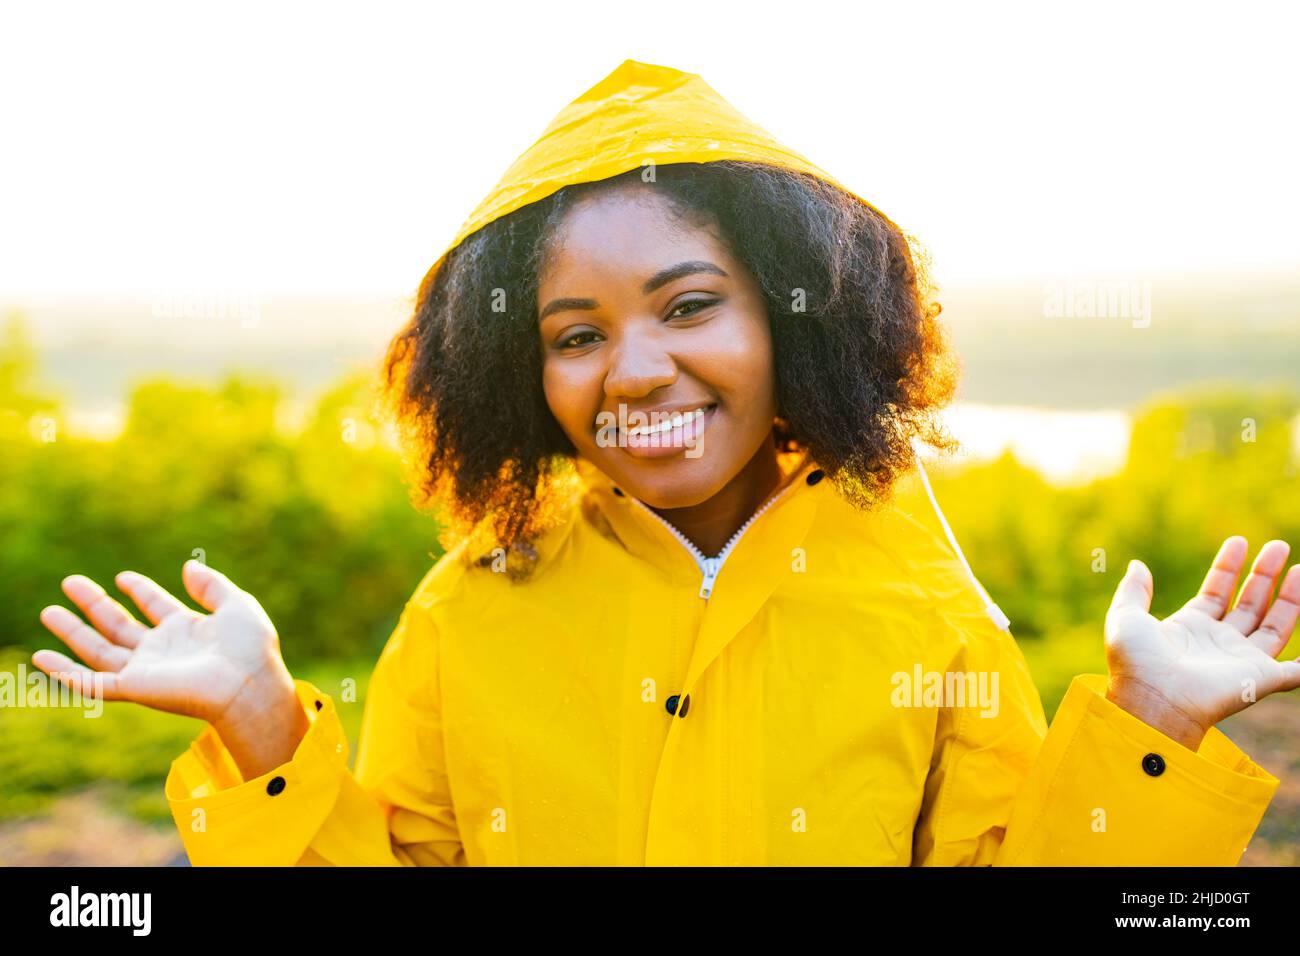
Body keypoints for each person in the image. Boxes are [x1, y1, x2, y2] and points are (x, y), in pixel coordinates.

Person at [33, 60, 1300, 866]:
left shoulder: (926, 610)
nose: (631, 371)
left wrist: (1156, 723)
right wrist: (260, 721)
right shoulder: (468, 609)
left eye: (688, 306)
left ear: (794, 317)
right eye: (574, 334)